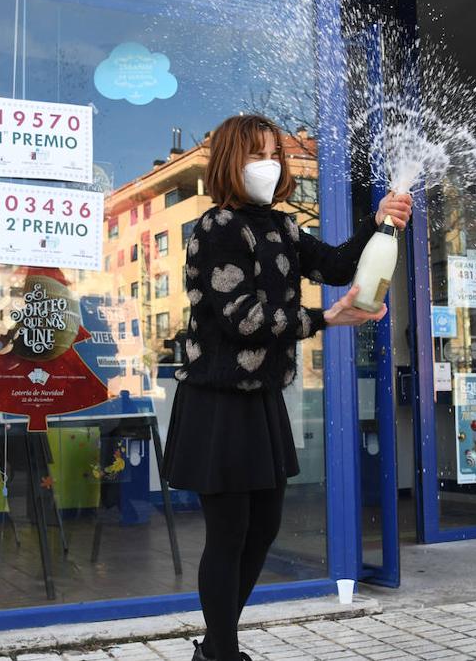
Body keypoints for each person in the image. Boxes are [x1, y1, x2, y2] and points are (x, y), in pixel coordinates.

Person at [161, 114, 412, 661]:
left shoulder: (282, 226)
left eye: (274, 153)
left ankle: (215, 645)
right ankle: (221, 652)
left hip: (261, 399)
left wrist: (379, 220)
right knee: (228, 533)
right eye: (256, 154)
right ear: (230, 160)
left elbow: (338, 264)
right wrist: (326, 320)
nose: (268, 165)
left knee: (264, 525)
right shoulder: (216, 228)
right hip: (218, 401)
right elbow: (243, 318)